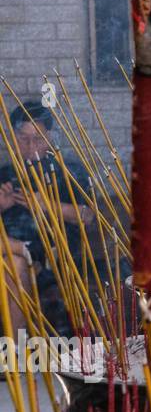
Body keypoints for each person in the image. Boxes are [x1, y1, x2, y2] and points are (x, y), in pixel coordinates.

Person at [0, 101, 93, 335]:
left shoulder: (67, 171)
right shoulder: (4, 175)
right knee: (13, 262)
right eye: (23, 138)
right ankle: (21, 248)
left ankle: (15, 355)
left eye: (38, 139)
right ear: (11, 138)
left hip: (52, 258)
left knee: (14, 265)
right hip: (12, 256)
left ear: (50, 138)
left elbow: (88, 216)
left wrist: (46, 204)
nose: (30, 146)